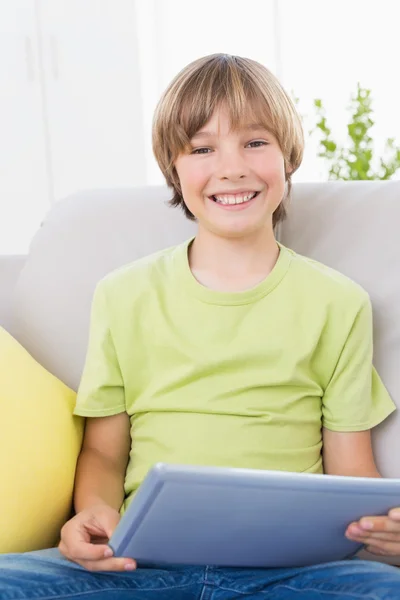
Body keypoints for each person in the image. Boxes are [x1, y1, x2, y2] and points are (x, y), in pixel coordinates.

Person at [1, 53, 400, 600]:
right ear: (174, 167)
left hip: (291, 572)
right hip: (137, 565)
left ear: (288, 159)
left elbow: (352, 467)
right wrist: (93, 516)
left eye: (255, 143)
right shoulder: (123, 295)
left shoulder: (339, 303)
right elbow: (103, 452)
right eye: (203, 148)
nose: (232, 167)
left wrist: (385, 527)